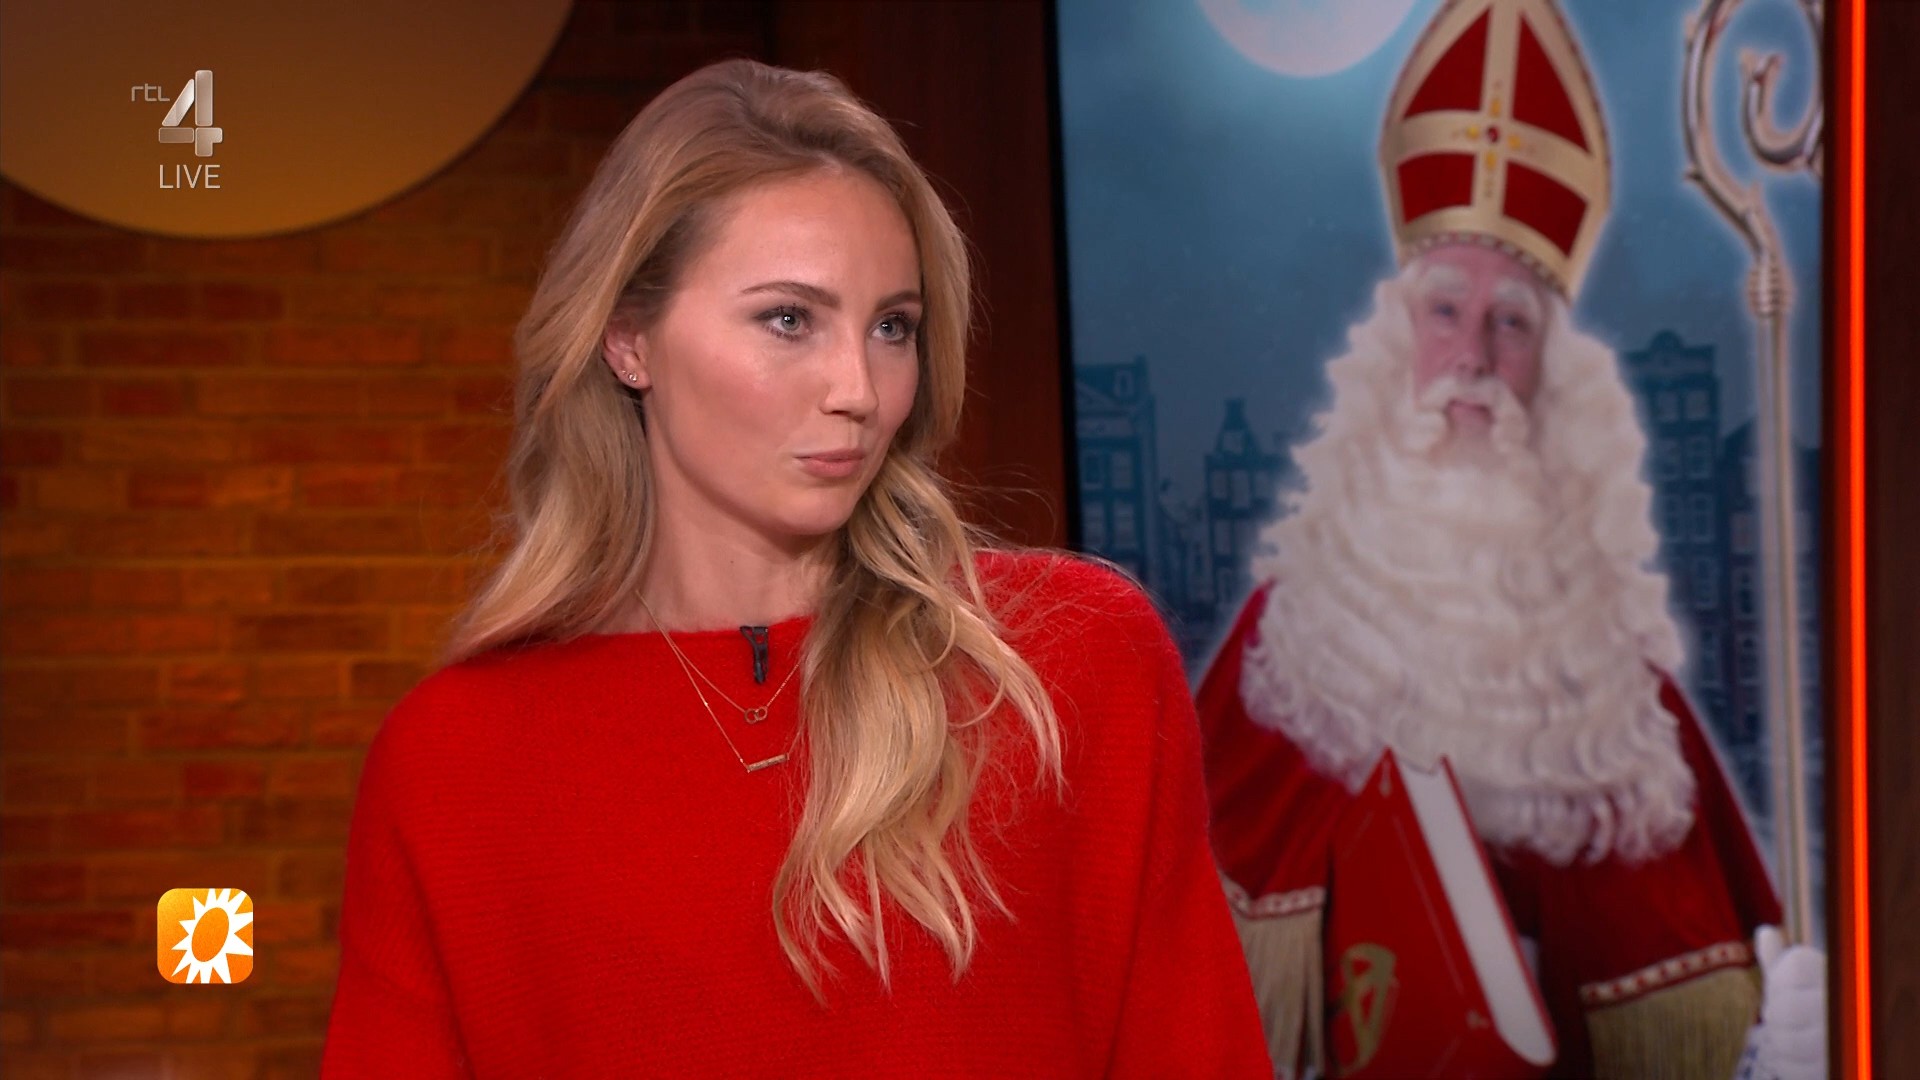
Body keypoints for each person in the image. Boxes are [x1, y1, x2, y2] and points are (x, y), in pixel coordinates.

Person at [320, 59, 1270, 1078]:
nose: (859, 387)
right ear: (628, 338)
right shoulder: (454, 763)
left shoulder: (1071, 664)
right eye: (789, 319)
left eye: (893, 327)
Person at [1194, 1, 1825, 1077]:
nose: (1474, 359)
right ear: (1393, 350)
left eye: (1513, 323)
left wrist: (1783, 1051)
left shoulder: (1621, 706)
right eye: (1445, 312)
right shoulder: (1281, 658)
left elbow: (1717, 1020)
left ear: (1557, 383)